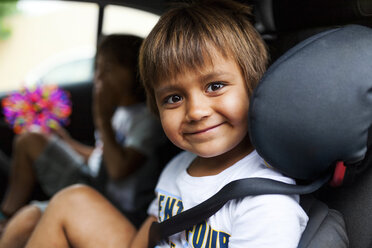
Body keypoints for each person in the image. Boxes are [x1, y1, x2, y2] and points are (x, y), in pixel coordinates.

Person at [24, 1, 308, 247]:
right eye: (173, 98)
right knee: (70, 200)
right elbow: (146, 238)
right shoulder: (176, 169)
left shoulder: (265, 204)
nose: (196, 111)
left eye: (215, 86)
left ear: (255, 87)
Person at [0, 34, 166, 245]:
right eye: (98, 69)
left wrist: (102, 119)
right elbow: (100, 156)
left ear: (135, 71)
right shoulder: (121, 113)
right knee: (30, 139)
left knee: (28, 219)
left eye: (107, 69)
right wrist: (66, 140)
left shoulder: (146, 120)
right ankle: (6, 215)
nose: (98, 78)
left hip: (120, 205)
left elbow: (117, 171)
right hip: (94, 179)